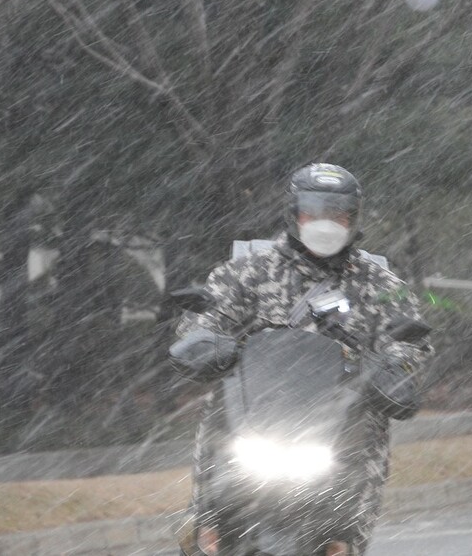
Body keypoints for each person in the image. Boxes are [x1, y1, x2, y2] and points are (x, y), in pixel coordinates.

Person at [171, 163, 434, 555]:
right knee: (206, 535)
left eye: (337, 214)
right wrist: (206, 343)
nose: (324, 223)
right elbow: (203, 320)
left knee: (343, 541)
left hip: (342, 438)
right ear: (294, 213)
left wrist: (395, 369)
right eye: (314, 212)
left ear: (353, 219)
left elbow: (412, 344)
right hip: (251, 426)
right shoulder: (247, 273)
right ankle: (205, 532)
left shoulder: (382, 286)